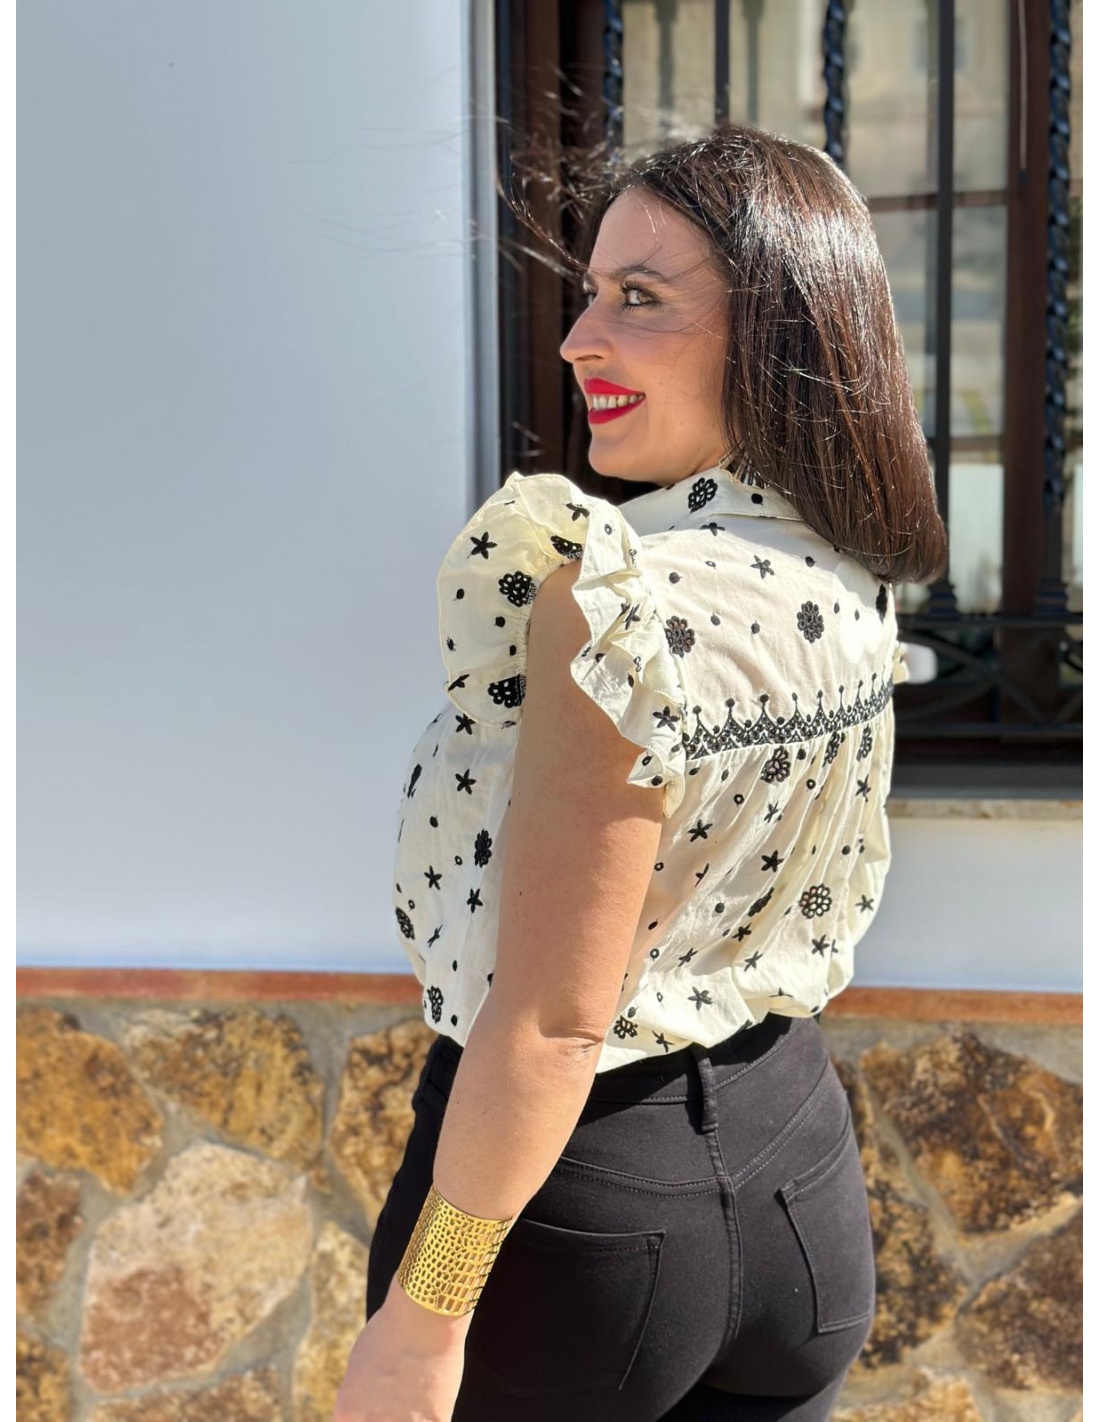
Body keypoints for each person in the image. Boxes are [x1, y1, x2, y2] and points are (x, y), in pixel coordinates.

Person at [334, 124, 947, 1422]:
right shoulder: (843, 568)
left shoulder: (614, 602)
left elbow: (554, 1023)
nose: (578, 341)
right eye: (592, 293)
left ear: (779, 331)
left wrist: (422, 1326)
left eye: (640, 297)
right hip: (798, 1179)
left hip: (583, 1228)